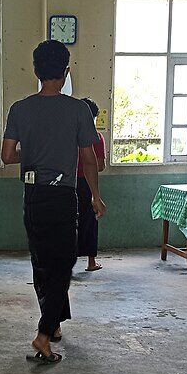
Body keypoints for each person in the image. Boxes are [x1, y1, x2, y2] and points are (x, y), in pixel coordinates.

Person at [1, 40, 106, 364]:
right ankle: (44, 334)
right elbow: (89, 160)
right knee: (63, 265)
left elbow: (7, 156)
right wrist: (95, 196)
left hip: (33, 196)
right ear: (65, 72)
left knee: (41, 262)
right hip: (63, 196)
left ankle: (55, 324)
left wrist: (32, 152)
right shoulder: (77, 110)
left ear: (35, 71)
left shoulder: (20, 108)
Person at [78, 98, 107, 271]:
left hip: (67, 183)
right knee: (90, 220)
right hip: (89, 184)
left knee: (69, 222)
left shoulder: (69, 136)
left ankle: (67, 263)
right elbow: (101, 166)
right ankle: (91, 262)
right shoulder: (97, 137)